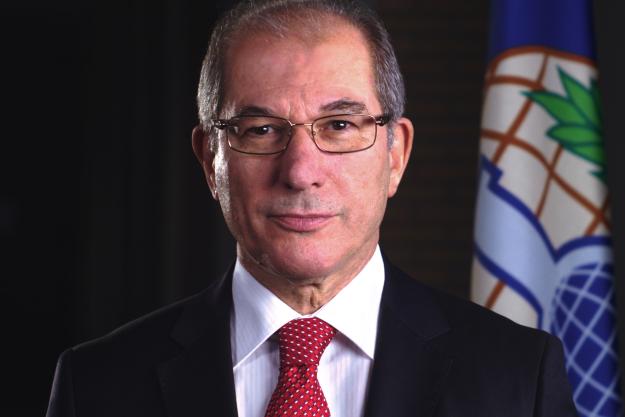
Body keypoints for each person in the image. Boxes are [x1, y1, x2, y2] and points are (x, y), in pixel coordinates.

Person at [46, 0, 579, 416]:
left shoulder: (517, 378)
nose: (301, 171)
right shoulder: (96, 385)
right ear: (210, 160)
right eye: (261, 130)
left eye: (340, 125)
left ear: (396, 154)